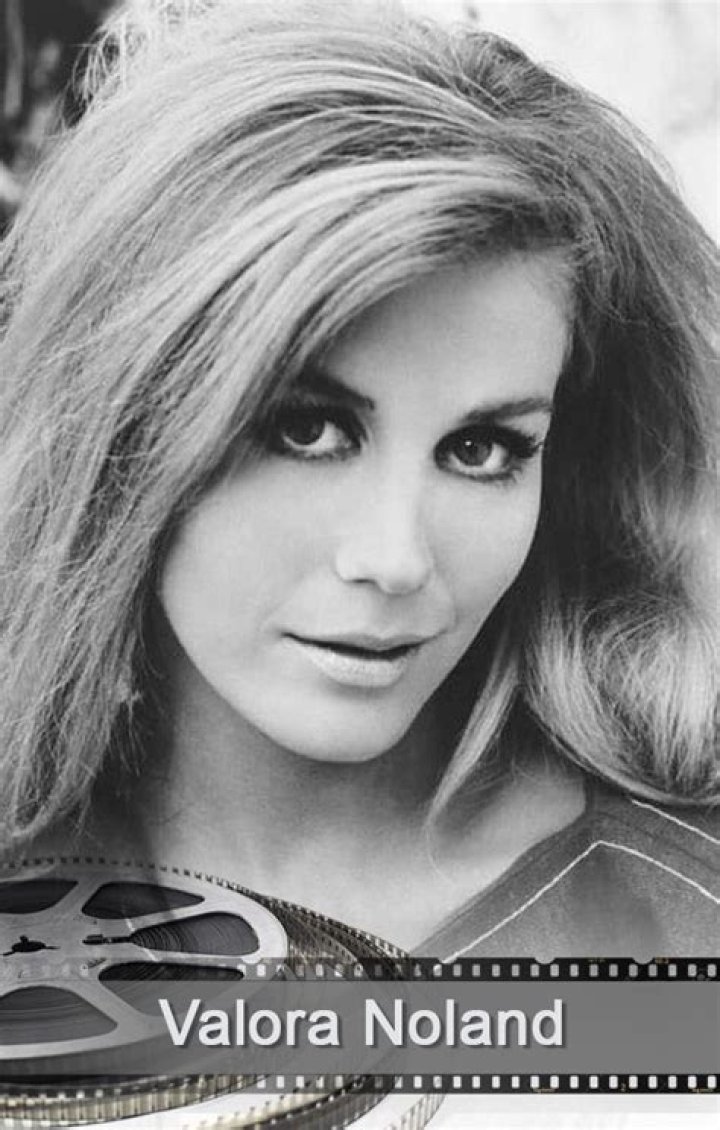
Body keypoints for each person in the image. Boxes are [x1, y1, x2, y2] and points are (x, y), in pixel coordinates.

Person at [0, 0, 717, 959]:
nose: (396, 560)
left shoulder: (682, 914)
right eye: (307, 430)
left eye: (482, 449)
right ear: (117, 421)